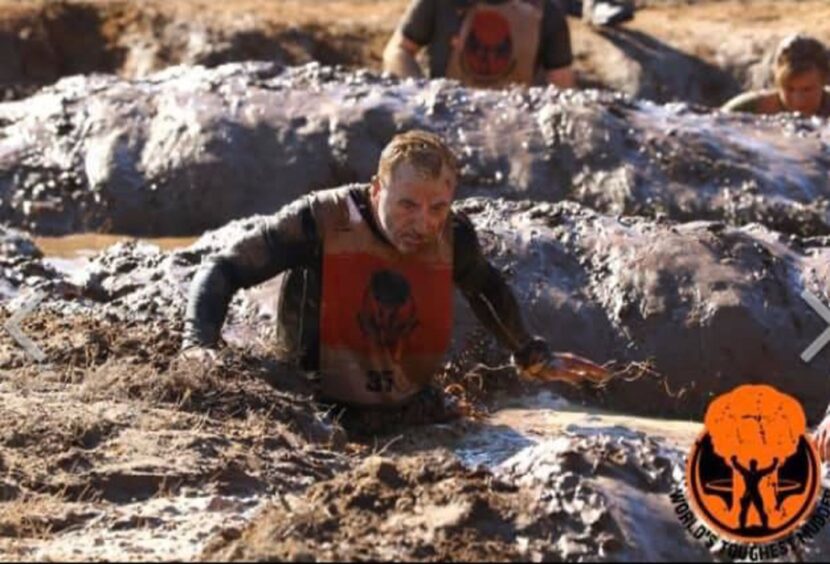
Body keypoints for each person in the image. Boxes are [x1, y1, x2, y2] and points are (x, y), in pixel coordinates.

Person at [181, 130, 606, 433]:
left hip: (406, 406)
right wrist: (197, 345)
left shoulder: (453, 233)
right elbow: (223, 267)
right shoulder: (322, 219)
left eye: (437, 207)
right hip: (311, 404)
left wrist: (530, 353)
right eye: (407, 205)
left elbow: (486, 290)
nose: (423, 223)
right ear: (376, 190)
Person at [382, 0, 576, 89]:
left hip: (511, 128)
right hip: (444, 118)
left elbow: (562, 84)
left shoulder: (547, 14)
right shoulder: (439, 4)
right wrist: (422, 92)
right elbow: (397, 52)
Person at [723, 34, 830, 117]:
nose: (798, 101)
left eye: (807, 89)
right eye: (789, 89)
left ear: (824, 80)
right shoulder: (745, 110)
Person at [731, 456, 778, 531]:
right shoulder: (746, 472)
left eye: (754, 464)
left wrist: (775, 463)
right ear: (750, 465)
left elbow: (769, 469)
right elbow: (738, 467)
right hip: (748, 493)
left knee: (760, 510)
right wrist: (734, 461)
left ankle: (765, 526)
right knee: (744, 510)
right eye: (752, 464)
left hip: (755, 493)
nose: (753, 466)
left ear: (756, 465)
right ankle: (742, 526)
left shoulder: (758, 473)